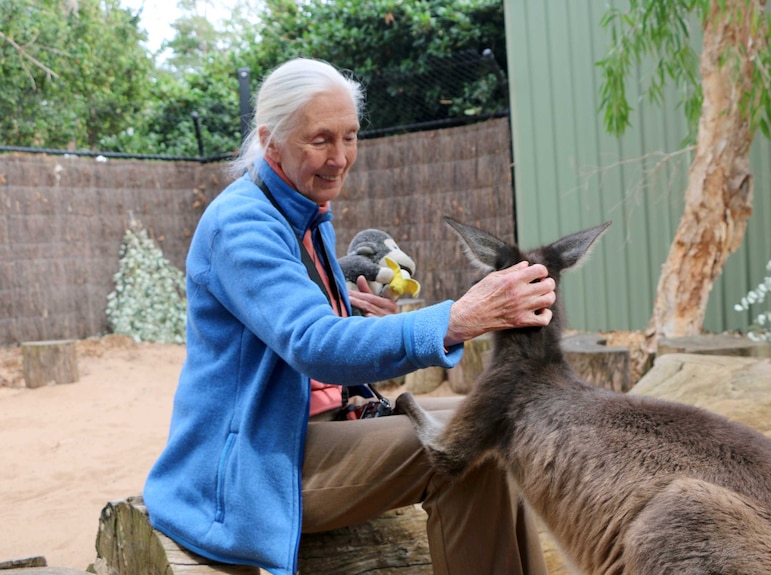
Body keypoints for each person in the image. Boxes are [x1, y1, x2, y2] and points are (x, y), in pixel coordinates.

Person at [143, 57, 555, 575]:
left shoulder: (306, 212)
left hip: (307, 434)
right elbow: (313, 344)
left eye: (350, 137)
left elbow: (314, 347)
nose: (340, 157)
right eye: (321, 140)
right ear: (271, 141)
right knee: (466, 451)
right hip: (252, 468)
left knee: (499, 424)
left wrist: (357, 320)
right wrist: (459, 318)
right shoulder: (241, 222)